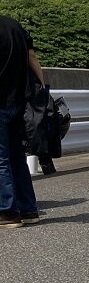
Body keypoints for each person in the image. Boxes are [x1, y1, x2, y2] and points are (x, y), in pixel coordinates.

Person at [0, 13, 42, 228]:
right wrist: (42, 89)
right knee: (17, 157)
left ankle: (7, 212)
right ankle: (29, 210)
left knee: (1, 159)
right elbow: (32, 58)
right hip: (18, 101)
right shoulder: (14, 26)